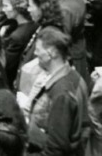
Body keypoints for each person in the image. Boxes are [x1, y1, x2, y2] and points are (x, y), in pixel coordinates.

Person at [25, 26, 90, 155]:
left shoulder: (61, 93)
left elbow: (56, 148)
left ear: (52, 52)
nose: (35, 53)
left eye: (38, 49)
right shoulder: (74, 76)